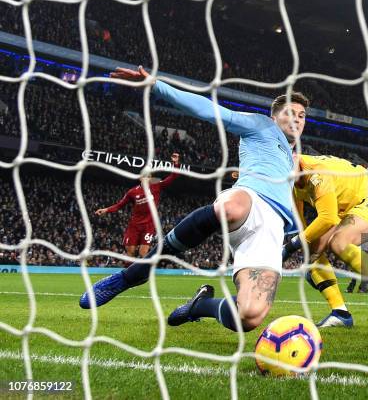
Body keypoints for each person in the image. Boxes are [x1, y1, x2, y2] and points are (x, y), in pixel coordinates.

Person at [80, 65, 309, 335]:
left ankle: (198, 306)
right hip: (248, 200)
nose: (297, 118)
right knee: (230, 208)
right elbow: (210, 111)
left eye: (302, 115)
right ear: (274, 116)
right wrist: (156, 86)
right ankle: (133, 275)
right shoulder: (261, 127)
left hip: (271, 229)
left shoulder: (295, 161)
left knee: (249, 316)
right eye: (290, 112)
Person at [284, 154, 368, 327]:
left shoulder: (317, 174)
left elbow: (327, 219)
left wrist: (288, 248)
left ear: (294, 157)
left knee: (338, 242)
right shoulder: (292, 183)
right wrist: (310, 262)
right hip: (348, 208)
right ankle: (340, 312)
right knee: (312, 252)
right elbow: (304, 228)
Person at [95, 153, 180, 258]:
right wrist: (106, 210)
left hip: (149, 225)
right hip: (134, 225)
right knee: (130, 252)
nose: (147, 179)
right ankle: (130, 270)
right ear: (140, 178)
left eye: (149, 177)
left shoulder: (157, 185)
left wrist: (175, 163)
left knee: (143, 253)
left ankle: (142, 272)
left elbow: (173, 176)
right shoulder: (132, 192)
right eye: (145, 177)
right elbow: (119, 205)